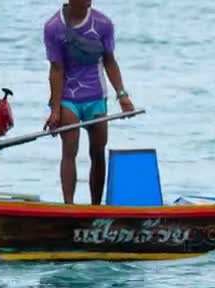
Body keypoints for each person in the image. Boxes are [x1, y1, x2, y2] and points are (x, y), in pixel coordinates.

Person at [43, 0, 134, 205]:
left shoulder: (103, 23)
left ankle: (95, 206)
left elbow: (110, 61)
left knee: (97, 151)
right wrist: (55, 110)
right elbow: (56, 70)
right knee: (69, 150)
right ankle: (69, 205)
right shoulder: (54, 27)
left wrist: (122, 95)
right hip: (68, 98)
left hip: (96, 97)